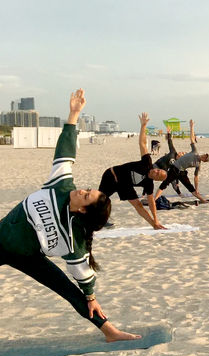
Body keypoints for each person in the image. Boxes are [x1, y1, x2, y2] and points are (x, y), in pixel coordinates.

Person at [0, 89, 139, 342]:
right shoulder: (61, 184)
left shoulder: (73, 237)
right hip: (0, 239)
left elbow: (82, 272)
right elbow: (66, 152)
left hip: (30, 257)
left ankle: (110, 331)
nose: (83, 190)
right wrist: (74, 114)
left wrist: (91, 296)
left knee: (68, 290)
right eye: (88, 189)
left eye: (86, 196)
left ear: (83, 210)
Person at [98, 113, 167, 229]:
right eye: (158, 170)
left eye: (158, 174)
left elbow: (151, 203)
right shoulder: (147, 162)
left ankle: (154, 225)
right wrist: (143, 126)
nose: (156, 172)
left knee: (138, 206)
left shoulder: (149, 185)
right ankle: (101, 218)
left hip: (125, 186)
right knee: (100, 200)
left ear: (156, 179)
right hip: (111, 175)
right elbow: (142, 144)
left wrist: (156, 220)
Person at [155, 119, 209, 203]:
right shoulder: (195, 151)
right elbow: (191, 138)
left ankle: (203, 200)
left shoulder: (198, 165)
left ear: (205, 160)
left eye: (205, 157)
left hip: (182, 173)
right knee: (164, 184)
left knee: (191, 188)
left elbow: (196, 177)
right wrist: (191, 126)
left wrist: (197, 188)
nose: (204, 156)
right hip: (174, 168)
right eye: (205, 155)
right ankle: (154, 199)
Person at [153, 127, 185, 197]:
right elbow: (170, 142)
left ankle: (179, 193)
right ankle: (145, 193)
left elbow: (176, 172)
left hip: (164, 170)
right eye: (181, 152)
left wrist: (177, 182)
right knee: (151, 175)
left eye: (182, 154)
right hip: (157, 165)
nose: (180, 153)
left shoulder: (178, 163)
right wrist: (169, 133)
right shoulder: (173, 152)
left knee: (173, 181)